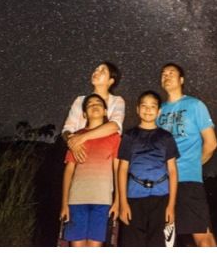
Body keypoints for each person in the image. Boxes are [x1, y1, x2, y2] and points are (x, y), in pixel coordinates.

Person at [157, 63, 217, 247]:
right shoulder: (157, 110)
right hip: (161, 183)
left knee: (201, 235)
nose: (166, 76)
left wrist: (192, 165)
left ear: (181, 80)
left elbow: (211, 143)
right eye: (163, 74)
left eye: (171, 73)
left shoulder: (195, 105)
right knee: (165, 239)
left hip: (187, 181)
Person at [117, 90, 179, 247]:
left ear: (159, 111)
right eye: (144, 106)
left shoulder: (166, 137)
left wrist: (171, 205)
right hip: (134, 198)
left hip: (161, 197)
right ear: (138, 109)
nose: (148, 109)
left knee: (157, 244)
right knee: (132, 244)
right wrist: (123, 203)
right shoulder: (129, 136)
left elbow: (172, 170)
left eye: (153, 106)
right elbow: (122, 169)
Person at [59, 94, 121, 246]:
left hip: (102, 200)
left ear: (106, 111)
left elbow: (117, 170)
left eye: (98, 102)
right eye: (90, 103)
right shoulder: (76, 138)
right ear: (84, 114)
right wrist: (64, 203)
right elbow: (69, 171)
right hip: (76, 200)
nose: (94, 104)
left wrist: (118, 200)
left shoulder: (114, 137)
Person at [62, 62, 125, 162]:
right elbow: (67, 129)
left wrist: (82, 138)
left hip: (105, 156)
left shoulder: (117, 101)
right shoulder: (80, 100)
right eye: (96, 69)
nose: (96, 72)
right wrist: (72, 142)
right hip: (80, 154)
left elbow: (115, 126)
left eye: (102, 70)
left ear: (110, 81)